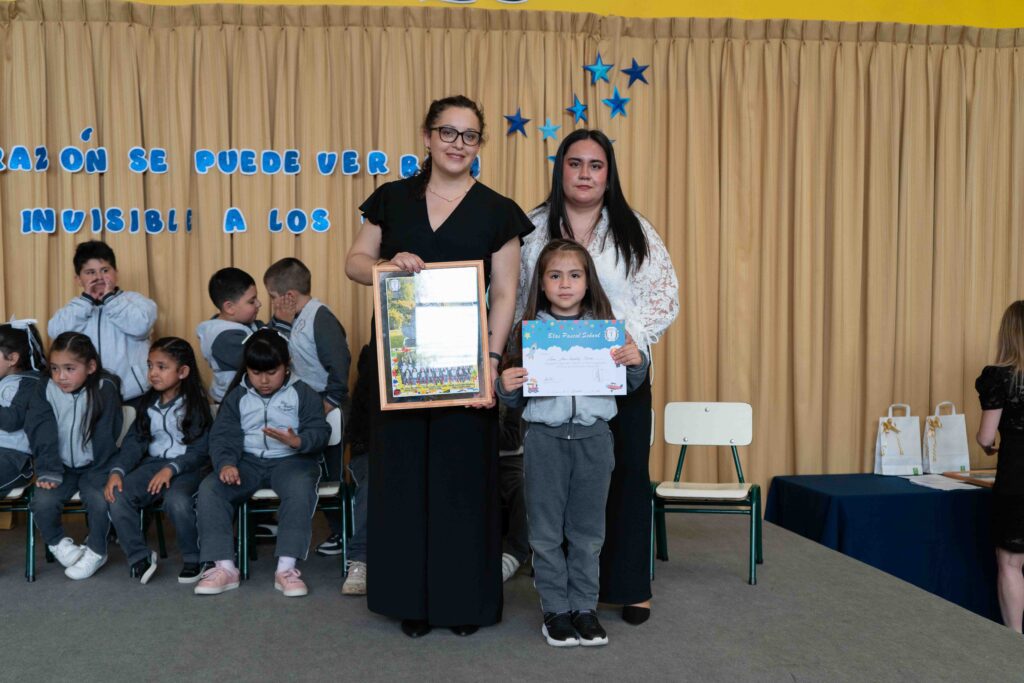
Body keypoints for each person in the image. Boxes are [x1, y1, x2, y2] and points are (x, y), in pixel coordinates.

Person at [345, 95, 533, 637]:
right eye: (447, 132)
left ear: (480, 145)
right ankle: (412, 601)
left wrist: (490, 361)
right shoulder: (392, 198)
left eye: (469, 135)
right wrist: (386, 264)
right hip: (399, 367)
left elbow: (505, 294)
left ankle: (462, 602)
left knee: (462, 484)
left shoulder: (498, 210)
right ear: (427, 137)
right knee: (403, 481)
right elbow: (354, 263)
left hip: (466, 367)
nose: (458, 143)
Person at [519, 129, 679, 625]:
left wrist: (630, 342)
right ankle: (562, 593)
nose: (584, 174)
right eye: (575, 163)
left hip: (616, 373)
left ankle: (629, 587)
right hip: (551, 381)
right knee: (558, 488)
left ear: (609, 174)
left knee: (625, 476)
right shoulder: (531, 228)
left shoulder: (634, 229)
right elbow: (513, 291)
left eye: (595, 165)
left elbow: (664, 295)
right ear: (560, 170)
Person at [497, 239, 648, 647]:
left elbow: (631, 383)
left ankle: (584, 608)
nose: (565, 284)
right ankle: (555, 611)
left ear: (588, 281)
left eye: (574, 275)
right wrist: (505, 386)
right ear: (542, 284)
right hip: (544, 442)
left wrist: (637, 362)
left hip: (594, 440)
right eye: (555, 275)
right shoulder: (527, 333)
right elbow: (515, 398)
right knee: (545, 533)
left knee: (588, 533)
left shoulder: (608, 330)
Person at [193, 329, 330, 597]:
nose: (264, 380)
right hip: (247, 463)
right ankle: (224, 568)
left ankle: (286, 569)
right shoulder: (237, 396)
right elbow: (223, 436)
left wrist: (298, 441)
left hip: (292, 462)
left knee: (300, 488)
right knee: (211, 489)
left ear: (287, 364)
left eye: (272, 372)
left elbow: (320, 431)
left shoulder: (304, 393)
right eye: (256, 373)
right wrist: (226, 464)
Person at [104, 338, 214, 584]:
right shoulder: (147, 404)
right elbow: (134, 443)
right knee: (117, 494)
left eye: (161, 367)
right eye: (150, 365)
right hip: (152, 466)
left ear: (183, 371)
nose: (153, 373)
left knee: (177, 500)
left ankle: (194, 557)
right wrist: (118, 471)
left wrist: (172, 469)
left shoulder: (194, 405)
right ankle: (138, 556)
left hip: (188, 467)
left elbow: (200, 451)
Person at [264, 257, 351, 552]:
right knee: (311, 469)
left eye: (273, 296)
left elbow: (340, 364)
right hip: (307, 408)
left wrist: (328, 404)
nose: (271, 303)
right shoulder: (291, 319)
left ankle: (342, 533)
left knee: (330, 473)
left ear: (288, 296)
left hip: (327, 407)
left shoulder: (319, 317)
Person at [26, 332, 124, 580]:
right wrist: (48, 468)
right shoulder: (45, 387)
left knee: (100, 500)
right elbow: (40, 429)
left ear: (90, 367)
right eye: (55, 368)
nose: (61, 376)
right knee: (42, 502)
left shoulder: (105, 387)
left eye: (69, 369)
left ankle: (97, 551)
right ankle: (58, 544)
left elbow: (107, 434)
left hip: (96, 465)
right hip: (59, 466)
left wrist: (101, 473)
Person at [47, 240, 157, 403]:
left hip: (134, 394)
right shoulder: (75, 307)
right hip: (87, 396)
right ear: (78, 279)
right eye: (90, 272)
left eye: (105, 270)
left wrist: (110, 299)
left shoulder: (137, 301)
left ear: (116, 273)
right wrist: (86, 301)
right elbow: (56, 333)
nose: (98, 277)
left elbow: (140, 327)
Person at [976, 300, 1024, 633]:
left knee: (1010, 563)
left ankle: (1015, 642)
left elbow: (985, 436)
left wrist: (988, 445)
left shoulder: (1000, 378)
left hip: (1017, 478)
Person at [335, 343, 373, 596]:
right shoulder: (365, 392)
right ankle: (360, 560)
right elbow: (359, 441)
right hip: (369, 453)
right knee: (373, 483)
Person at [197, 267, 263, 403]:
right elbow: (262, 357)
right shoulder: (223, 338)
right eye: (252, 301)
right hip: (233, 403)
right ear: (229, 307)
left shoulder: (245, 323)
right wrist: (282, 322)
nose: (259, 304)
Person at [0, 319, 46, 498]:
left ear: (12, 359)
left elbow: (13, 420)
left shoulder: (30, 383)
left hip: (14, 460)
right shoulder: (4, 381)